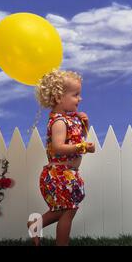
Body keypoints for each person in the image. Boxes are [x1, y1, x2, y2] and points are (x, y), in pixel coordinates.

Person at [28, 69, 95, 246]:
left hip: (68, 174)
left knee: (65, 211)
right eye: (76, 95)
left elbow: (75, 142)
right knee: (68, 212)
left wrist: (85, 126)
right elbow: (58, 147)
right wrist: (82, 147)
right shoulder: (59, 121)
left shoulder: (69, 119)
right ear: (59, 98)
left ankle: (36, 225)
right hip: (59, 174)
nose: (79, 99)